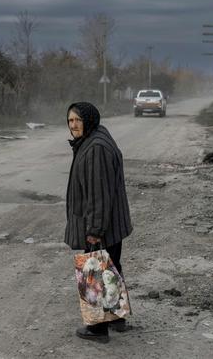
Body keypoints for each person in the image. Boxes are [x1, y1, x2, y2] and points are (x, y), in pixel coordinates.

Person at [64, 101, 133, 343]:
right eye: (70, 120)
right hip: (112, 222)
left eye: (77, 120)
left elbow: (98, 193)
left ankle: (97, 329)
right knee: (109, 270)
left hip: (103, 224)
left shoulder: (95, 148)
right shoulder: (96, 137)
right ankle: (115, 318)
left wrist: (94, 230)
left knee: (94, 270)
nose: (73, 125)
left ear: (88, 121)